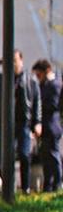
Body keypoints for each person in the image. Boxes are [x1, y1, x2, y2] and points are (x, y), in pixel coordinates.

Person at [0, 51, 42, 192]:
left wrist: (37, 122)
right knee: (6, 156)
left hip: (24, 122)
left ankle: (25, 187)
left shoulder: (30, 79)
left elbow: (36, 101)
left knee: (24, 154)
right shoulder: (2, 78)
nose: (13, 64)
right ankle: (7, 187)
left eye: (15, 60)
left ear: (21, 61)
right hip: (7, 123)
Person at [33, 60, 62, 192]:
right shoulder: (45, 85)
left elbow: (53, 105)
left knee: (53, 156)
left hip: (51, 126)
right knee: (46, 157)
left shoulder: (54, 85)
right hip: (46, 126)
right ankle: (48, 185)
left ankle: (58, 183)